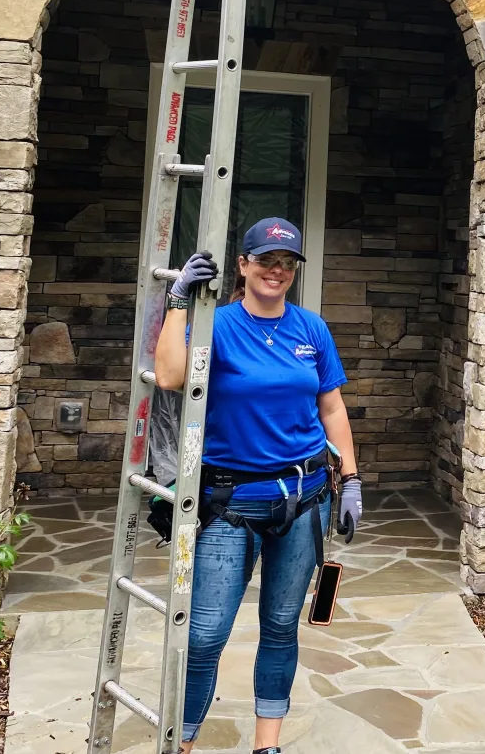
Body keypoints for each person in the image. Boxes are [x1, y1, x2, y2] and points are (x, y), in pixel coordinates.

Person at [154, 216, 363, 754]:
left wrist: (352, 478)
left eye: (287, 262)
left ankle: (265, 745)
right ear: (243, 265)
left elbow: (332, 408)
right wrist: (178, 300)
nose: (277, 270)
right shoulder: (216, 324)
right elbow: (173, 377)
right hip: (229, 504)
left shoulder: (311, 330)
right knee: (203, 635)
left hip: (304, 499)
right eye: (266, 260)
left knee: (280, 626)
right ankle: (183, 741)